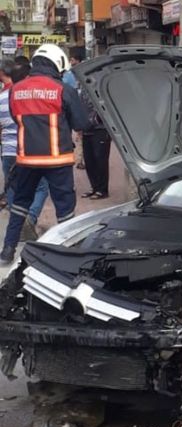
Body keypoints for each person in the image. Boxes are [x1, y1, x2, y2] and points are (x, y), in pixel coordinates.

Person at [1, 44, 89, 263]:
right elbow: (81, 123)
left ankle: (7, 251)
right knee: (65, 210)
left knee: (20, 205)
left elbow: (15, 118)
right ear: (56, 63)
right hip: (58, 161)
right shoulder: (62, 89)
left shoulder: (15, 90)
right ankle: (70, 255)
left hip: (26, 160)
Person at [0, 59, 48, 241]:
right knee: (42, 187)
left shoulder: (3, 98)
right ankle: (30, 217)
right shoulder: (32, 97)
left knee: (13, 189)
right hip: (29, 150)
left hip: (8, 151)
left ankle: (19, 223)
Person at [78, 82, 110, 200]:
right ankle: (94, 187)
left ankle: (102, 190)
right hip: (86, 130)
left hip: (100, 130)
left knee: (100, 160)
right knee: (89, 161)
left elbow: (104, 107)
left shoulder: (100, 87)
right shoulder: (82, 88)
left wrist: (93, 121)